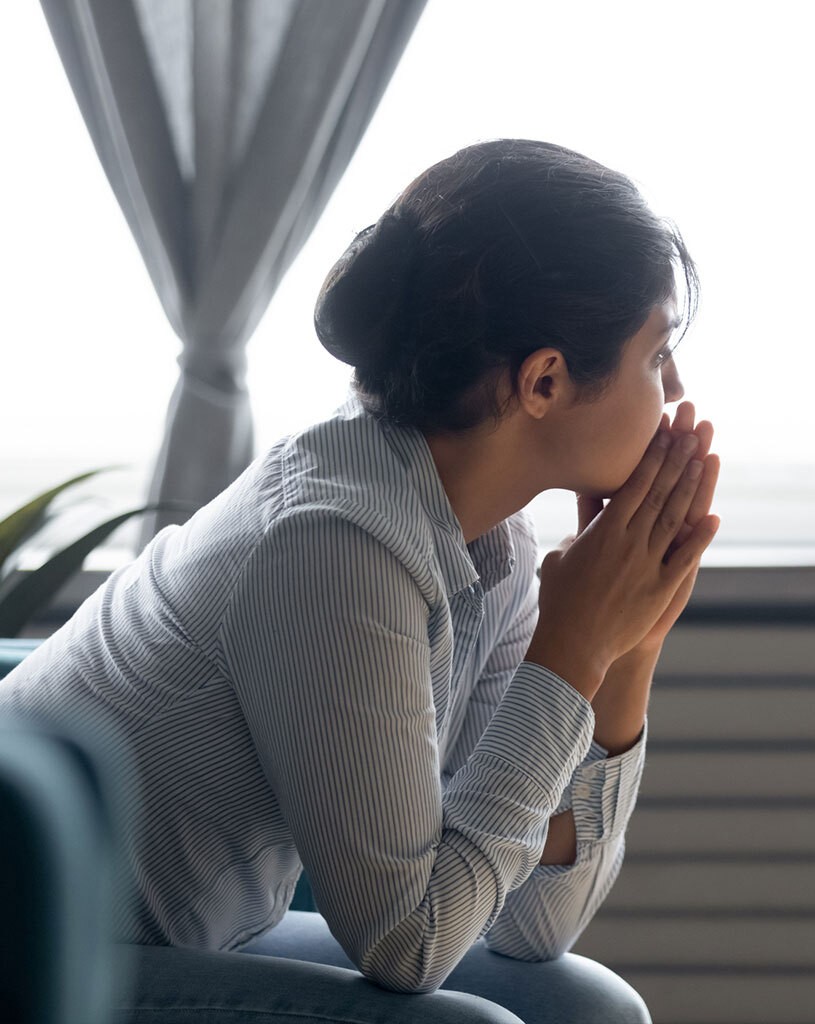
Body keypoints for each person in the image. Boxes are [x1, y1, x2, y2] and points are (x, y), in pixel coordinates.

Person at [0, 138, 720, 1024]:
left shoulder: (492, 542)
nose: (677, 389)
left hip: (187, 936)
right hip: (39, 950)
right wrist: (571, 654)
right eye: (657, 355)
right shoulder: (334, 542)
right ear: (543, 380)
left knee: (586, 1007)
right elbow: (408, 944)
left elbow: (530, 926)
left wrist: (625, 654)